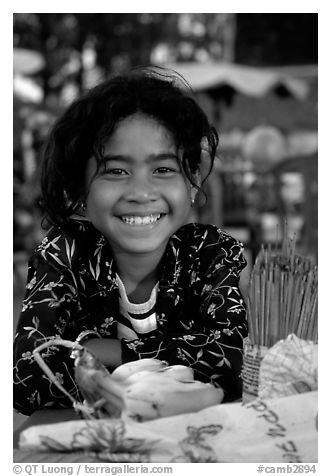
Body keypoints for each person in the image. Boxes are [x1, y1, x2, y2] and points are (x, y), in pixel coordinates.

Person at [13, 68, 248, 416]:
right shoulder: (64, 253)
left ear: (193, 181)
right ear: (80, 187)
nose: (141, 193)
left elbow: (230, 357)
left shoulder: (212, 253)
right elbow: (27, 375)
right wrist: (167, 361)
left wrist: (109, 352)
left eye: (164, 170)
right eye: (116, 171)